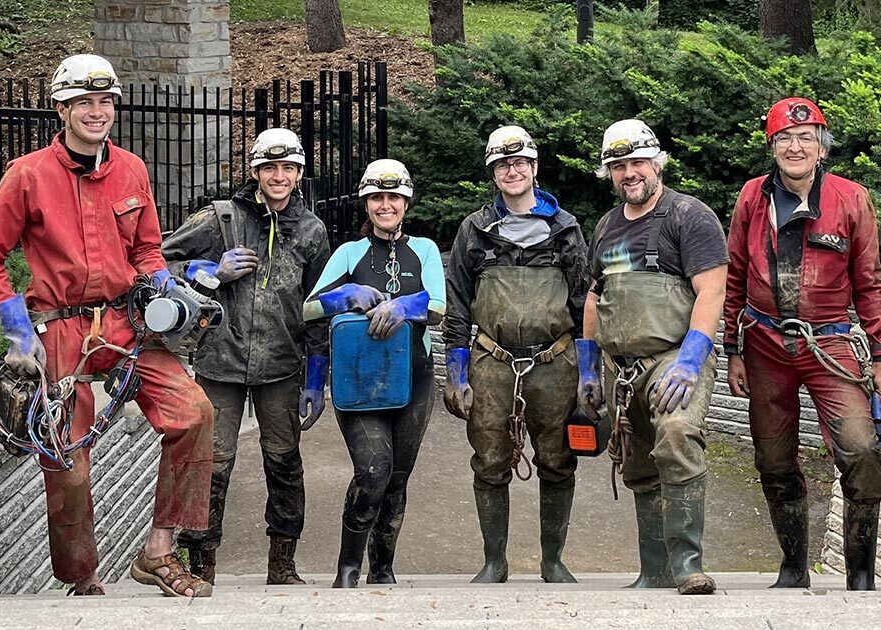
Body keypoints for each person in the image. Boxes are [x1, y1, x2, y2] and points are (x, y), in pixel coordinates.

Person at [0, 54, 214, 598]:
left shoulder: (131, 168)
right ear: (61, 108)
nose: (97, 111)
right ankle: (84, 582)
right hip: (59, 331)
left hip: (127, 323)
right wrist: (17, 329)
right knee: (68, 465)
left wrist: (169, 288)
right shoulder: (27, 175)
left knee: (194, 412)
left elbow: (148, 249)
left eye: (105, 101)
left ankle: (158, 550)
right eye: (84, 102)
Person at [723, 97, 881, 591]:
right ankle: (794, 567)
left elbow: (870, 283)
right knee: (773, 458)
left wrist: (880, 360)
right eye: (783, 139)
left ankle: (861, 574)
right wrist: (732, 350)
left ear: (821, 146)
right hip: (764, 342)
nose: (794, 147)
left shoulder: (851, 198)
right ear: (771, 146)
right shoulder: (752, 198)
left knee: (861, 449)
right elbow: (735, 275)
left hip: (831, 343)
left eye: (805, 138)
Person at [162, 127, 332, 585]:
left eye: (288, 168)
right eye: (270, 168)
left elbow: (319, 306)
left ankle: (283, 563)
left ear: (299, 174)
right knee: (211, 464)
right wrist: (206, 271)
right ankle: (202, 562)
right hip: (221, 362)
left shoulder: (312, 231)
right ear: (255, 171)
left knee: (283, 461)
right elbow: (157, 260)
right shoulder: (221, 218)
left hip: (282, 366)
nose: (279, 176)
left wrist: (317, 377)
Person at [575, 119, 728, 595]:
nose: (629, 173)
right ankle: (654, 570)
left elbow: (713, 290)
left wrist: (690, 359)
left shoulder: (690, 216)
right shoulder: (606, 227)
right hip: (621, 366)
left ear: (657, 163)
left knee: (678, 434)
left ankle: (687, 565)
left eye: (637, 162)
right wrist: (586, 369)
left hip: (674, 356)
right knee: (638, 462)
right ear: (609, 173)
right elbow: (595, 298)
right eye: (618, 166)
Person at [443, 126, 589, 584]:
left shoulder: (565, 227)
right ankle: (494, 561)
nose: (512, 170)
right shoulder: (474, 230)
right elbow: (458, 306)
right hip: (492, 362)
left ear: (534, 168)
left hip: (555, 361)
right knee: (488, 461)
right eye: (502, 164)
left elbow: (585, 304)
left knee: (558, 460)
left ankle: (553, 561)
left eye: (519, 162)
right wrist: (456, 373)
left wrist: (589, 374)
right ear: (493, 172)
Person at [303, 159, 446, 587]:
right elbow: (308, 309)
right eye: (377, 198)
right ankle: (348, 568)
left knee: (397, 479)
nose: (386, 205)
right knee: (372, 471)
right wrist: (344, 295)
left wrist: (404, 306)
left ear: (406, 202)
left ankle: (383, 569)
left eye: (394, 197)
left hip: (414, 380)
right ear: (366, 202)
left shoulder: (424, 250)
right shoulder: (349, 253)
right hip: (358, 382)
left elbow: (438, 306)